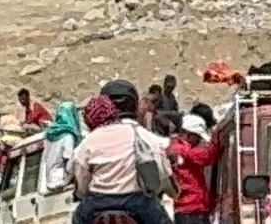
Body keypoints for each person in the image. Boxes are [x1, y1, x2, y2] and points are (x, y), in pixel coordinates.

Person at [70, 83, 173, 224]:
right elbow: (160, 173)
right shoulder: (139, 134)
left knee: (76, 219)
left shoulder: (90, 139)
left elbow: (81, 176)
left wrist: (85, 192)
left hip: (96, 201)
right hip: (136, 201)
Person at [169, 114, 226, 224]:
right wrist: (217, 140)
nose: (199, 141)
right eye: (197, 137)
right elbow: (208, 156)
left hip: (189, 210)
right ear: (189, 134)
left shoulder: (177, 148)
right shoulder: (182, 150)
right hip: (191, 210)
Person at [42, 101, 83, 192]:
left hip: (49, 180)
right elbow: (69, 161)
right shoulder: (68, 136)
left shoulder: (48, 134)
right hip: (62, 181)